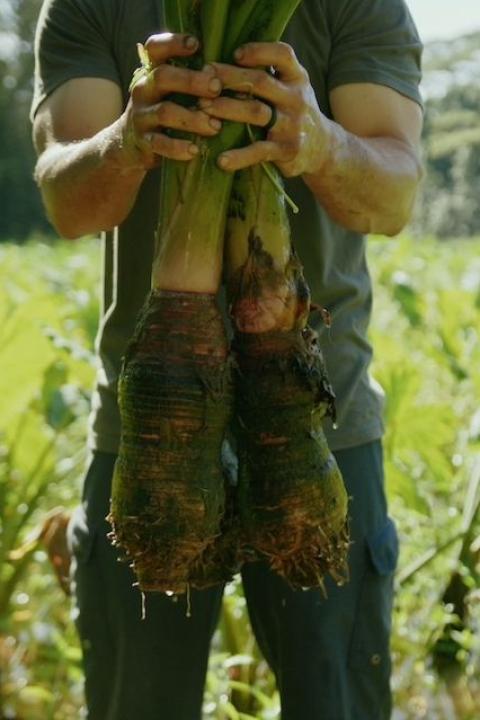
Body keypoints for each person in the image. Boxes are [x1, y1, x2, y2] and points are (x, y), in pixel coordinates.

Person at [31, 1, 423, 718]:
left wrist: (322, 145)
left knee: (336, 702)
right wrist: (126, 140)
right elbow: (66, 199)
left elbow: (395, 194)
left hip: (317, 420)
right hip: (150, 423)